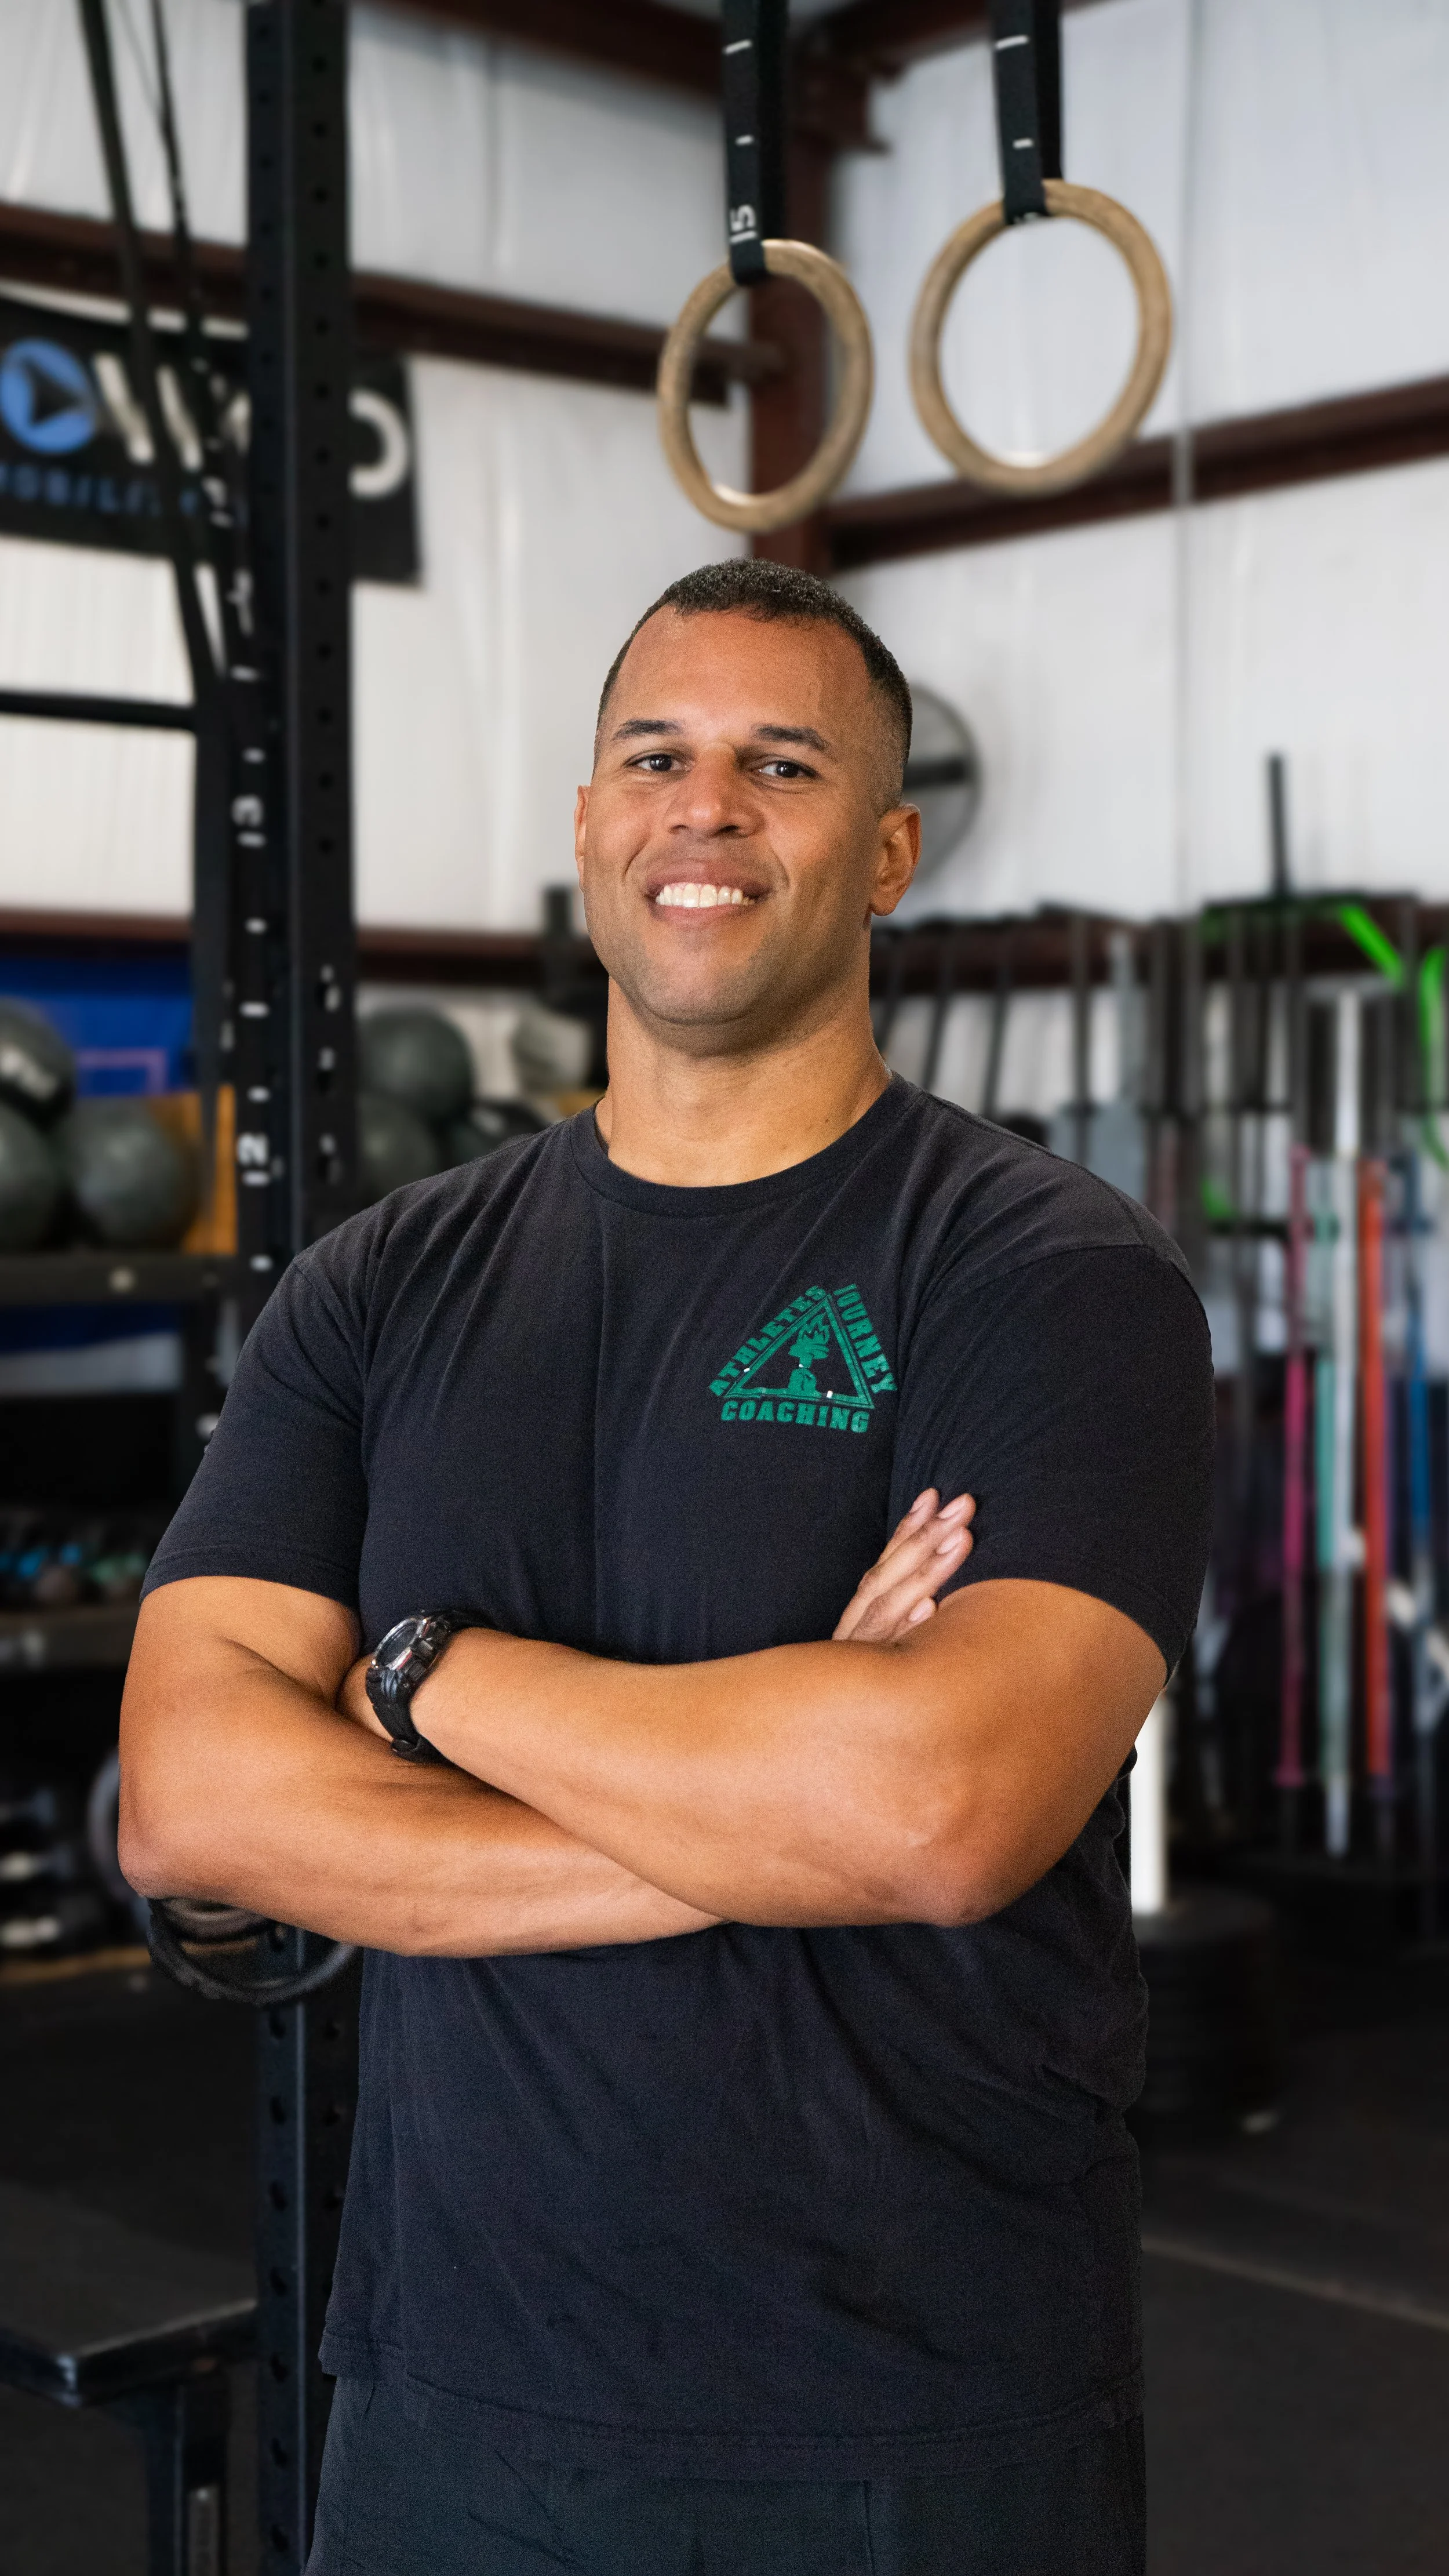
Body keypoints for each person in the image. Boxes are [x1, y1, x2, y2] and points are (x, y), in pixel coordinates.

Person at [121, 558, 1214, 2576]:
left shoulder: (1049, 1282)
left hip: (910, 2422)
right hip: (451, 2410)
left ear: (884, 852)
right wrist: (765, 1806)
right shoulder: (378, 1288)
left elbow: (941, 1808)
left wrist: (423, 1676)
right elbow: (191, 1797)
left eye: (778, 765)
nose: (704, 808)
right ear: (587, 827)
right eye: (658, 755)